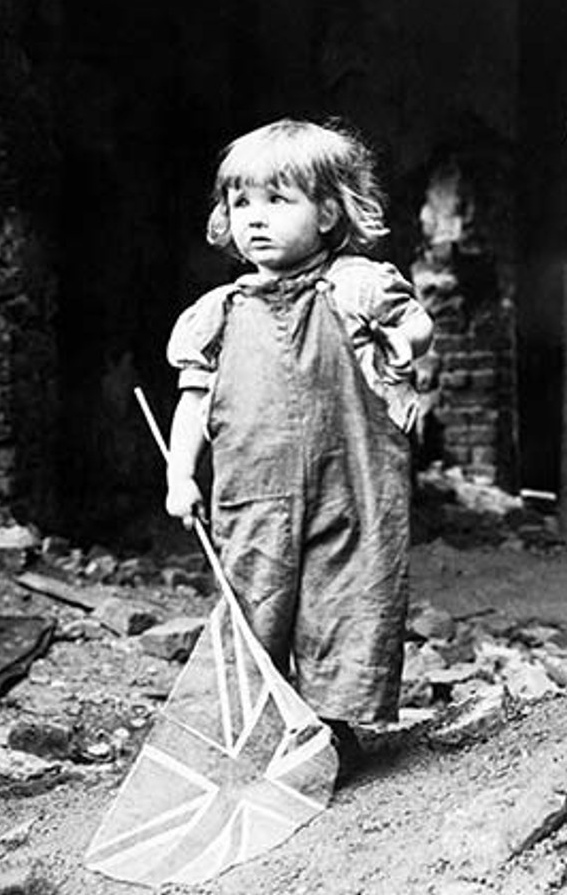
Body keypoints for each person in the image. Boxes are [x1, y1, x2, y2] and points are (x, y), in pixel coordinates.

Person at [163, 117, 433, 781]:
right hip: (253, 492)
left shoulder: (357, 285)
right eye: (241, 202)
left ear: (328, 212)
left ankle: (329, 731)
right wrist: (178, 474)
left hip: (351, 483)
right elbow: (195, 399)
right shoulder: (217, 313)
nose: (255, 219)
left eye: (278, 201)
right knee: (255, 601)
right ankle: (255, 734)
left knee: (341, 598)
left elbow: (415, 322)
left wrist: (404, 346)